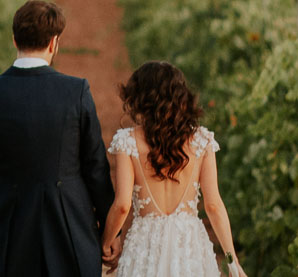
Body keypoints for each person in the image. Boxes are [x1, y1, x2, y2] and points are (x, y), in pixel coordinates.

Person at [0, 0, 115, 277]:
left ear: (14, 40)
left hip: (12, 230)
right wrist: (110, 232)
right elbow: (96, 167)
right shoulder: (77, 91)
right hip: (69, 225)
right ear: (53, 43)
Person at [100, 61, 244, 277]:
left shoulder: (127, 141)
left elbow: (122, 205)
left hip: (145, 246)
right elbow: (213, 205)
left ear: (140, 99)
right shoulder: (202, 141)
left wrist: (107, 240)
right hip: (188, 246)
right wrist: (232, 260)